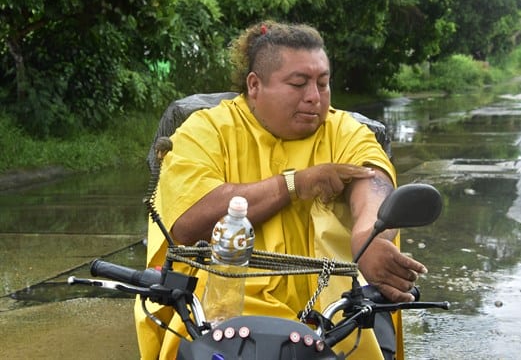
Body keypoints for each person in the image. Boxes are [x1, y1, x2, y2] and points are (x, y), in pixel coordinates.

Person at [135, 20, 428, 359]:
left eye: (323, 83)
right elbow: (187, 222)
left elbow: (373, 182)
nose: (314, 97)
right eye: (298, 83)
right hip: (223, 319)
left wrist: (369, 236)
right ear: (255, 85)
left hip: (330, 320)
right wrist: (295, 184)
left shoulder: (343, 131)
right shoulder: (207, 130)